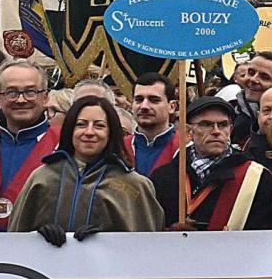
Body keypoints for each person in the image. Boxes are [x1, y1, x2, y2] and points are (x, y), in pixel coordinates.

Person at [9, 95, 162, 242]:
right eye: (81, 124)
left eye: (99, 125)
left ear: (111, 132)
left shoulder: (133, 185)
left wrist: (106, 241)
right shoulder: (42, 178)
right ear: (70, 130)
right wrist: (37, 237)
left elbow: (146, 248)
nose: (89, 132)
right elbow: (15, 241)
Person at [150, 96, 272, 231]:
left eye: (223, 125)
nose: (216, 131)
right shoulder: (163, 177)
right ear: (188, 132)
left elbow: (262, 235)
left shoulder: (255, 177)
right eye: (206, 124)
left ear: (230, 130)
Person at [0, 58, 61, 231]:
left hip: (42, 250)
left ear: (45, 97)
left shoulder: (65, 145)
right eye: (11, 92)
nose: (21, 100)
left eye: (30, 91)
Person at [128, 75, 180, 178]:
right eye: (139, 100)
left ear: (172, 106)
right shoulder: (118, 148)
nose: (144, 106)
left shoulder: (185, 149)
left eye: (154, 100)